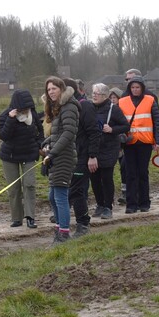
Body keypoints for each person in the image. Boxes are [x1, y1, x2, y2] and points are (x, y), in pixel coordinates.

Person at [40, 76, 80, 242]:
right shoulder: (58, 108)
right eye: (48, 90)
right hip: (57, 156)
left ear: (61, 89)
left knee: (60, 197)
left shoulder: (69, 107)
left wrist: (52, 153)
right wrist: (47, 142)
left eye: (54, 89)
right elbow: (58, 133)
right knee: (52, 196)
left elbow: (69, 133)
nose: (51, 92)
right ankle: (59, 230)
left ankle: (64, 234)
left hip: (64, 157)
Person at [0, 88, 42, 229]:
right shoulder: (5, 116)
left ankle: (30, 217)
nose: (26, 110)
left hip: (29, 155)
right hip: (10, 156)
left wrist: (39, 146)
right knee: (14, 189)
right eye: (23, 107)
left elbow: (40, 133)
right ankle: (16, 218)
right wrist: (11, 119)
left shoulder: (33, 115)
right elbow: (4, 136)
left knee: (29, 185)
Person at [118, 76, 159, 214]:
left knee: (143, 173)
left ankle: (144, 203)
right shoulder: (122, 101)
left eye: (137, 87)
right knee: (130, 173)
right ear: (129, 88)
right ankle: (131, 204)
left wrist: (158, 141)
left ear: (142, 88)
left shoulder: (150, 100)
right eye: (133, 87)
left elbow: (157, 121)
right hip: (129, 142)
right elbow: (118, 121)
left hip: (145, 142)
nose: (135, 90)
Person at [87, 83, 129, 220]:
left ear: (104, 96)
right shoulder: (89, 109)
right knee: (94, 178)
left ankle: (108, 207)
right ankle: (99, 204)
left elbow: (125, 125)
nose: (93, 95)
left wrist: (112, 129)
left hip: (109, 148)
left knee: (106, 178)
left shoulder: (114, 109)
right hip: (93, 147)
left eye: (97, 93)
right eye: (93, 92)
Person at [65, 78, 101, 237]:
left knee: (77, 190)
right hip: (67, 157)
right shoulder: (62, 108)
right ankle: (63, 225)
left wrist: (92, 156)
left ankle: (83, 224)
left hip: (82, 156)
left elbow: (94, 132)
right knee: (65, 191)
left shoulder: (85, 106)